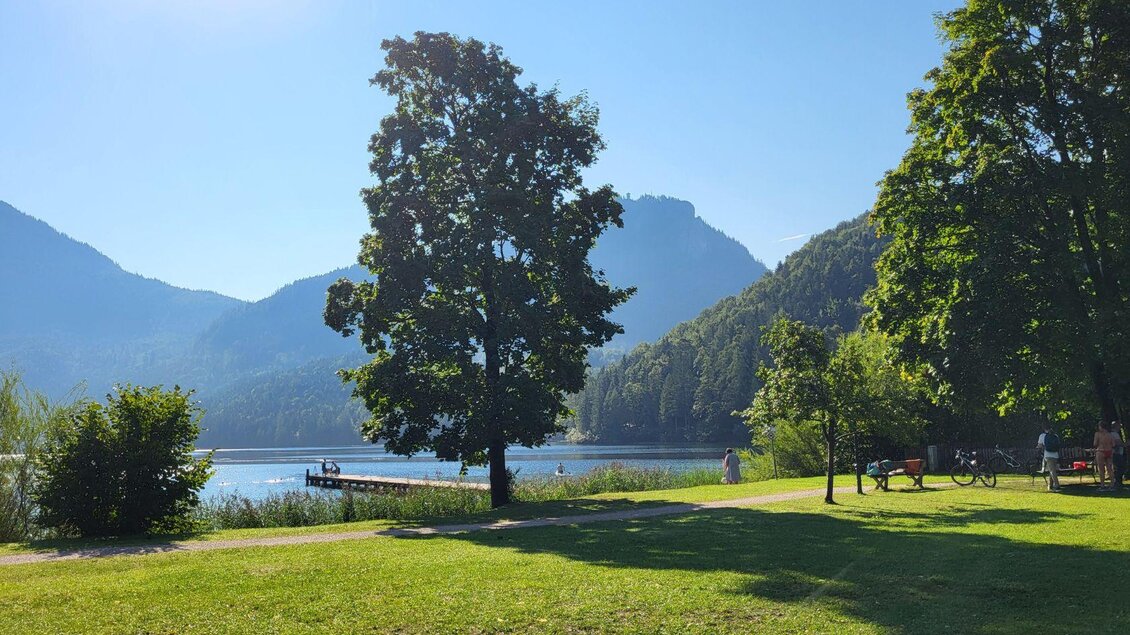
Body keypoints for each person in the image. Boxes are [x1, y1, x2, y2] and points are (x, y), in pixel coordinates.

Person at [1037, 424, 1061, 492]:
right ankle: (1050, 485)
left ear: (1043, 428)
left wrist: (1038, 447)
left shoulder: (1042, 435)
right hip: (1055, 455)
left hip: (1048, 455)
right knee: (1052, 470)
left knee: (1052, 471)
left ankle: (1057, 485)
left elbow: (1040, 445)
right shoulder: (1055, 435)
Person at [1094, 422, 1115, 491]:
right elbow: (1113, 444)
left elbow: (1095, 443)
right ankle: (1112, 485)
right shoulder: (1110, 435)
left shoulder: (1097, 434)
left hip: (1101, 451)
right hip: (1109, 451)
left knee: (1101, 469)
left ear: (1101, 427)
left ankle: (1102, 485)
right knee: (1110, 469)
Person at [1112, 421, 1126, 491]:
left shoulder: (1112, 434)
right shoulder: (1115, 434)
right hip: (1117, 453)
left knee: (1118, 468)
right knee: (1120, 468)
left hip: (1116, 453)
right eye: (1119, 426)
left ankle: (1118, 482)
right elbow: (1119, 444)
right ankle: (1117, 483)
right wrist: (1127, 444)